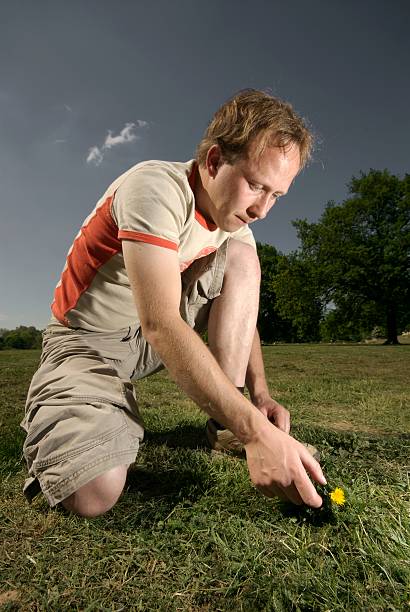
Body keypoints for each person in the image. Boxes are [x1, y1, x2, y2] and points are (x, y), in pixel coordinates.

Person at [21, 89, 327, 517]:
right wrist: (259, 434)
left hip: (148, 341)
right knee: (93, 494)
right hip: (87, 341)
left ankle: (225, 428)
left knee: (242, 256)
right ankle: (62, 418)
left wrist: (260, 395)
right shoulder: (154, 188)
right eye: (256, 185)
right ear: (215, 160)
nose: (262, 209)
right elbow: (162, 323)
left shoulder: (234, 222)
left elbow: (239, 308)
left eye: (277, 195)